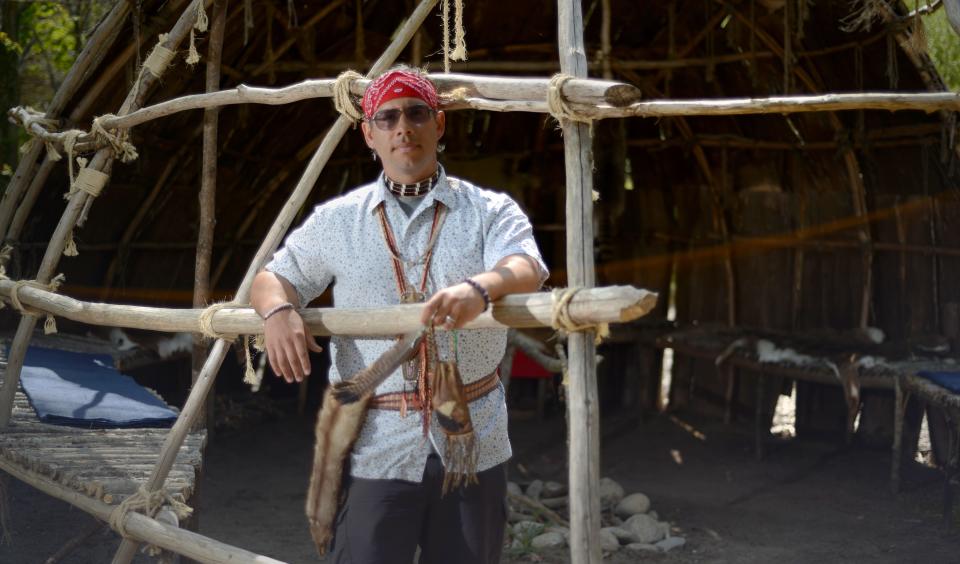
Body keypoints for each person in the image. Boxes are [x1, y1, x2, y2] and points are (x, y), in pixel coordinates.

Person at [250, 66, 548, 564]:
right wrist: (278, 309)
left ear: (439, 124)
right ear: (369, 134)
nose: (402, 128)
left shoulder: (488, 210)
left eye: (416, 113)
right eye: (387, 118)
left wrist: (482, 287)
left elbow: (526, 266)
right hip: (376, 446)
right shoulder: (338, 221)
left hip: (473, 442)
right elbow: (273, 277)